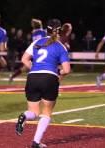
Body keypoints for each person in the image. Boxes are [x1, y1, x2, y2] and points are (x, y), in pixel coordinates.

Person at [15, 18, 71, 148]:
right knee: (46, 112)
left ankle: (24, 115)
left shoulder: (37, 42)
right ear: (60, 32)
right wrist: (58, 72)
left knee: (33, 113)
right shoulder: (60, 46)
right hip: (49, 78)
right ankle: (36, 142)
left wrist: (35, 68)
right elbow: (67, 70)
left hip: (33, 77)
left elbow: (24, 59)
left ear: (47, 29)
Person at [9, 18, 46, 83]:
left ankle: (13, 76)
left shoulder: (34, 33)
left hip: (35, 51)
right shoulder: (43, 32)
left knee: (26, 67)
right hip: (41, 51)